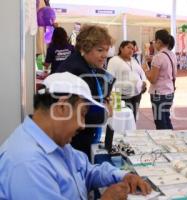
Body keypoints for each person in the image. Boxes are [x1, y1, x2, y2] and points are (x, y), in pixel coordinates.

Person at [0, 72, 151, 199]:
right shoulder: (27, 164)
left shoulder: (56, 143)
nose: (83, 125)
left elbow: (87, 171)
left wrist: (122, 176)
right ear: (62, 107)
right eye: (82, 114)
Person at [56, 25, 114, 160]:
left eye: (106, 50)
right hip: (76, 143)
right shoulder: (78, 70)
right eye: (100, 50)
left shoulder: (83, 65)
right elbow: (79, 113)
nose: (105, 55)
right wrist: (105, 112)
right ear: (84, 48)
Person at [142, 29, 177, 129]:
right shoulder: (171, 54)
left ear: (159, 42)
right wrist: (153, 59)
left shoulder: (158, 57)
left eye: (154, 41)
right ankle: (172, 141)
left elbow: (153, 79)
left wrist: (145, 69)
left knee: (161, 124)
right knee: (166, 119)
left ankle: (164, 142)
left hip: (159, 94)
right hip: (169, 92)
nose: (153, 44)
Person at [107, 41, 147, 120]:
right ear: (121, 48)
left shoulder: (134, 60)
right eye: (128, 47)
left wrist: (144, 82)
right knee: (123, 118)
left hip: (136, 94)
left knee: (133, 117)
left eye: (132, 48)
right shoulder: (114, 60)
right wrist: (115, 99)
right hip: (123, 96)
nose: (131, 50)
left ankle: (132, 132)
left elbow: (141, 73)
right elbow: (109, 79)